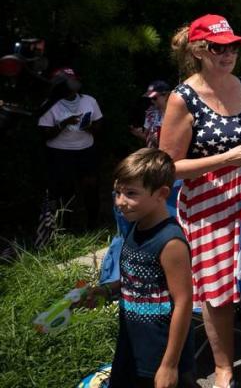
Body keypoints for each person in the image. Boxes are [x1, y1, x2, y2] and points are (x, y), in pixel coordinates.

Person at [159, 14, 241, 388]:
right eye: (217, 47)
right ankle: (224, 368)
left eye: (232, 47)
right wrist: (225, 160)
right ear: (198, 49)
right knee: (218, 292)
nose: (227, 54)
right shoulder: (183, 98)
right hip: (208, 207)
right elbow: (168, 167)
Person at [89, 148, 195, 388]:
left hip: (160, 351)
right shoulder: (137, 226)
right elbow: (136, 279)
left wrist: (169, 365)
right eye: (117, 192)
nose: (120, 202)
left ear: (161, 194)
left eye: (130, 193)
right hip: (132, 342)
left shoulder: (170, 242)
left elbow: (184, 302)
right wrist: (107, 290)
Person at [37, 67, 104, 230]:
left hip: (85, 149)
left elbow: (99, 124)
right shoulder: (49, 105)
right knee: (64, 189)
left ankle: (93, 224)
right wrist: (64, 123)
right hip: (59, 152)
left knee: (90, 186)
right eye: (68, 81)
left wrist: (89, 127)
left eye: (74, 79)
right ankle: (64, 228)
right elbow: (44, 134)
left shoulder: (89, 100)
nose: (74, 83)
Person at [131, 80, 172, 148]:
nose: (152, 101)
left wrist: (162, 139)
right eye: (150, 98)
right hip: (154, 155)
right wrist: (139, 134)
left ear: (166, 95)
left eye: (154, 98)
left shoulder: (176, 113)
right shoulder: (150, 113)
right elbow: (147, 136)